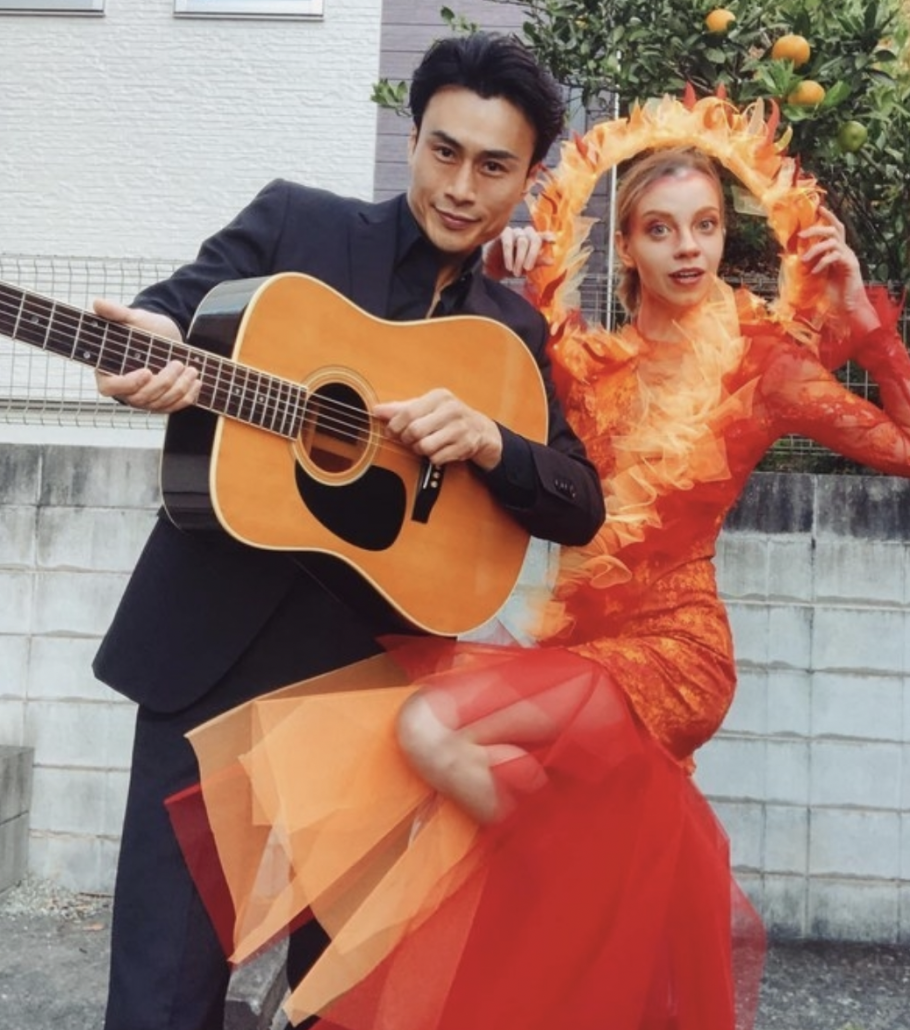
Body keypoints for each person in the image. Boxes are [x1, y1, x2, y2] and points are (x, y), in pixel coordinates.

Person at [169, 96, 910, 1030]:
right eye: (660, 229)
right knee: (437, 799)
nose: (688, 249)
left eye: (706, 226)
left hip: (678, 651)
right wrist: (510, 274)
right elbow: (496, 380)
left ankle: (571, 874)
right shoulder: (582, 362)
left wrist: (865, 321)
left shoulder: (765, 366)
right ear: (625, 247)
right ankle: (585, 895)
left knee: (424, 729)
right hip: (572, 639)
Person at [89, 31, 605, 1030]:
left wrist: (493, 442)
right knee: (161, 991)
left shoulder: (509, 333)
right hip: (212, 665)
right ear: (412, 140)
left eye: (493, 165)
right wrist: (148, 338)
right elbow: (176, 307)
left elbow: (578, 499)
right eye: (443, 151)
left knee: (345, 995)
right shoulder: (297, 227)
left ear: (531, 177)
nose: (461, 186)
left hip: (376, 686)